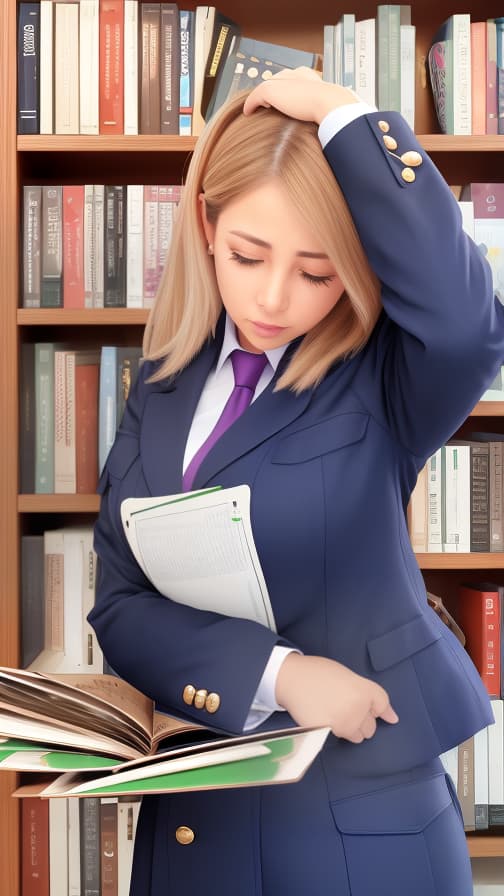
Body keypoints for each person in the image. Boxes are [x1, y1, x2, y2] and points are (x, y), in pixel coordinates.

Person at [89, 68, 504, 896]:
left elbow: (465, 320)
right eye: (248, 255)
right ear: (206, 225)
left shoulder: (385, 383)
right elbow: (120, 603)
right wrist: (281, 675)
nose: (272, 297)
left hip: (357, 815)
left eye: (318, 273)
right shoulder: (161, 388)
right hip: (196, 820)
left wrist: (346, 117)